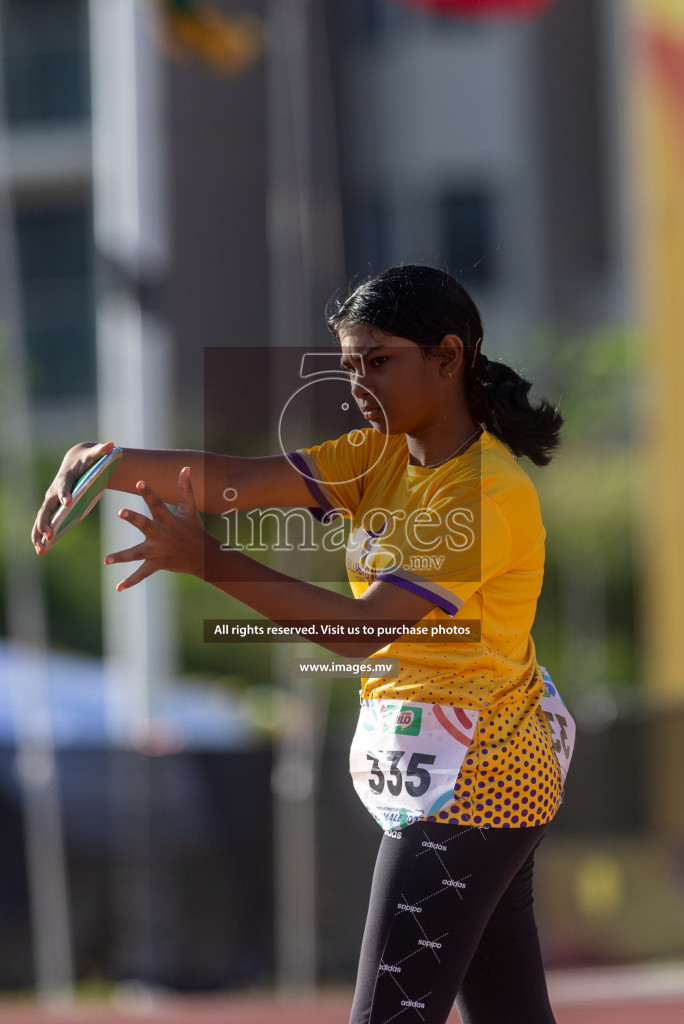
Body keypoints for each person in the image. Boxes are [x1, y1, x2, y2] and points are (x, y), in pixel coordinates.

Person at [32, 264, 567, 1024]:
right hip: (456, 775)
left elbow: (359, 632)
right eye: (349, 366)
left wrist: (208, 561)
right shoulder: (378, 457)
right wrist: (105, 461)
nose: (357, 384)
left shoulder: (485, 492)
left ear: (449, 357)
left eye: (378, 362)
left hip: (476, 785)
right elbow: (231, 484)